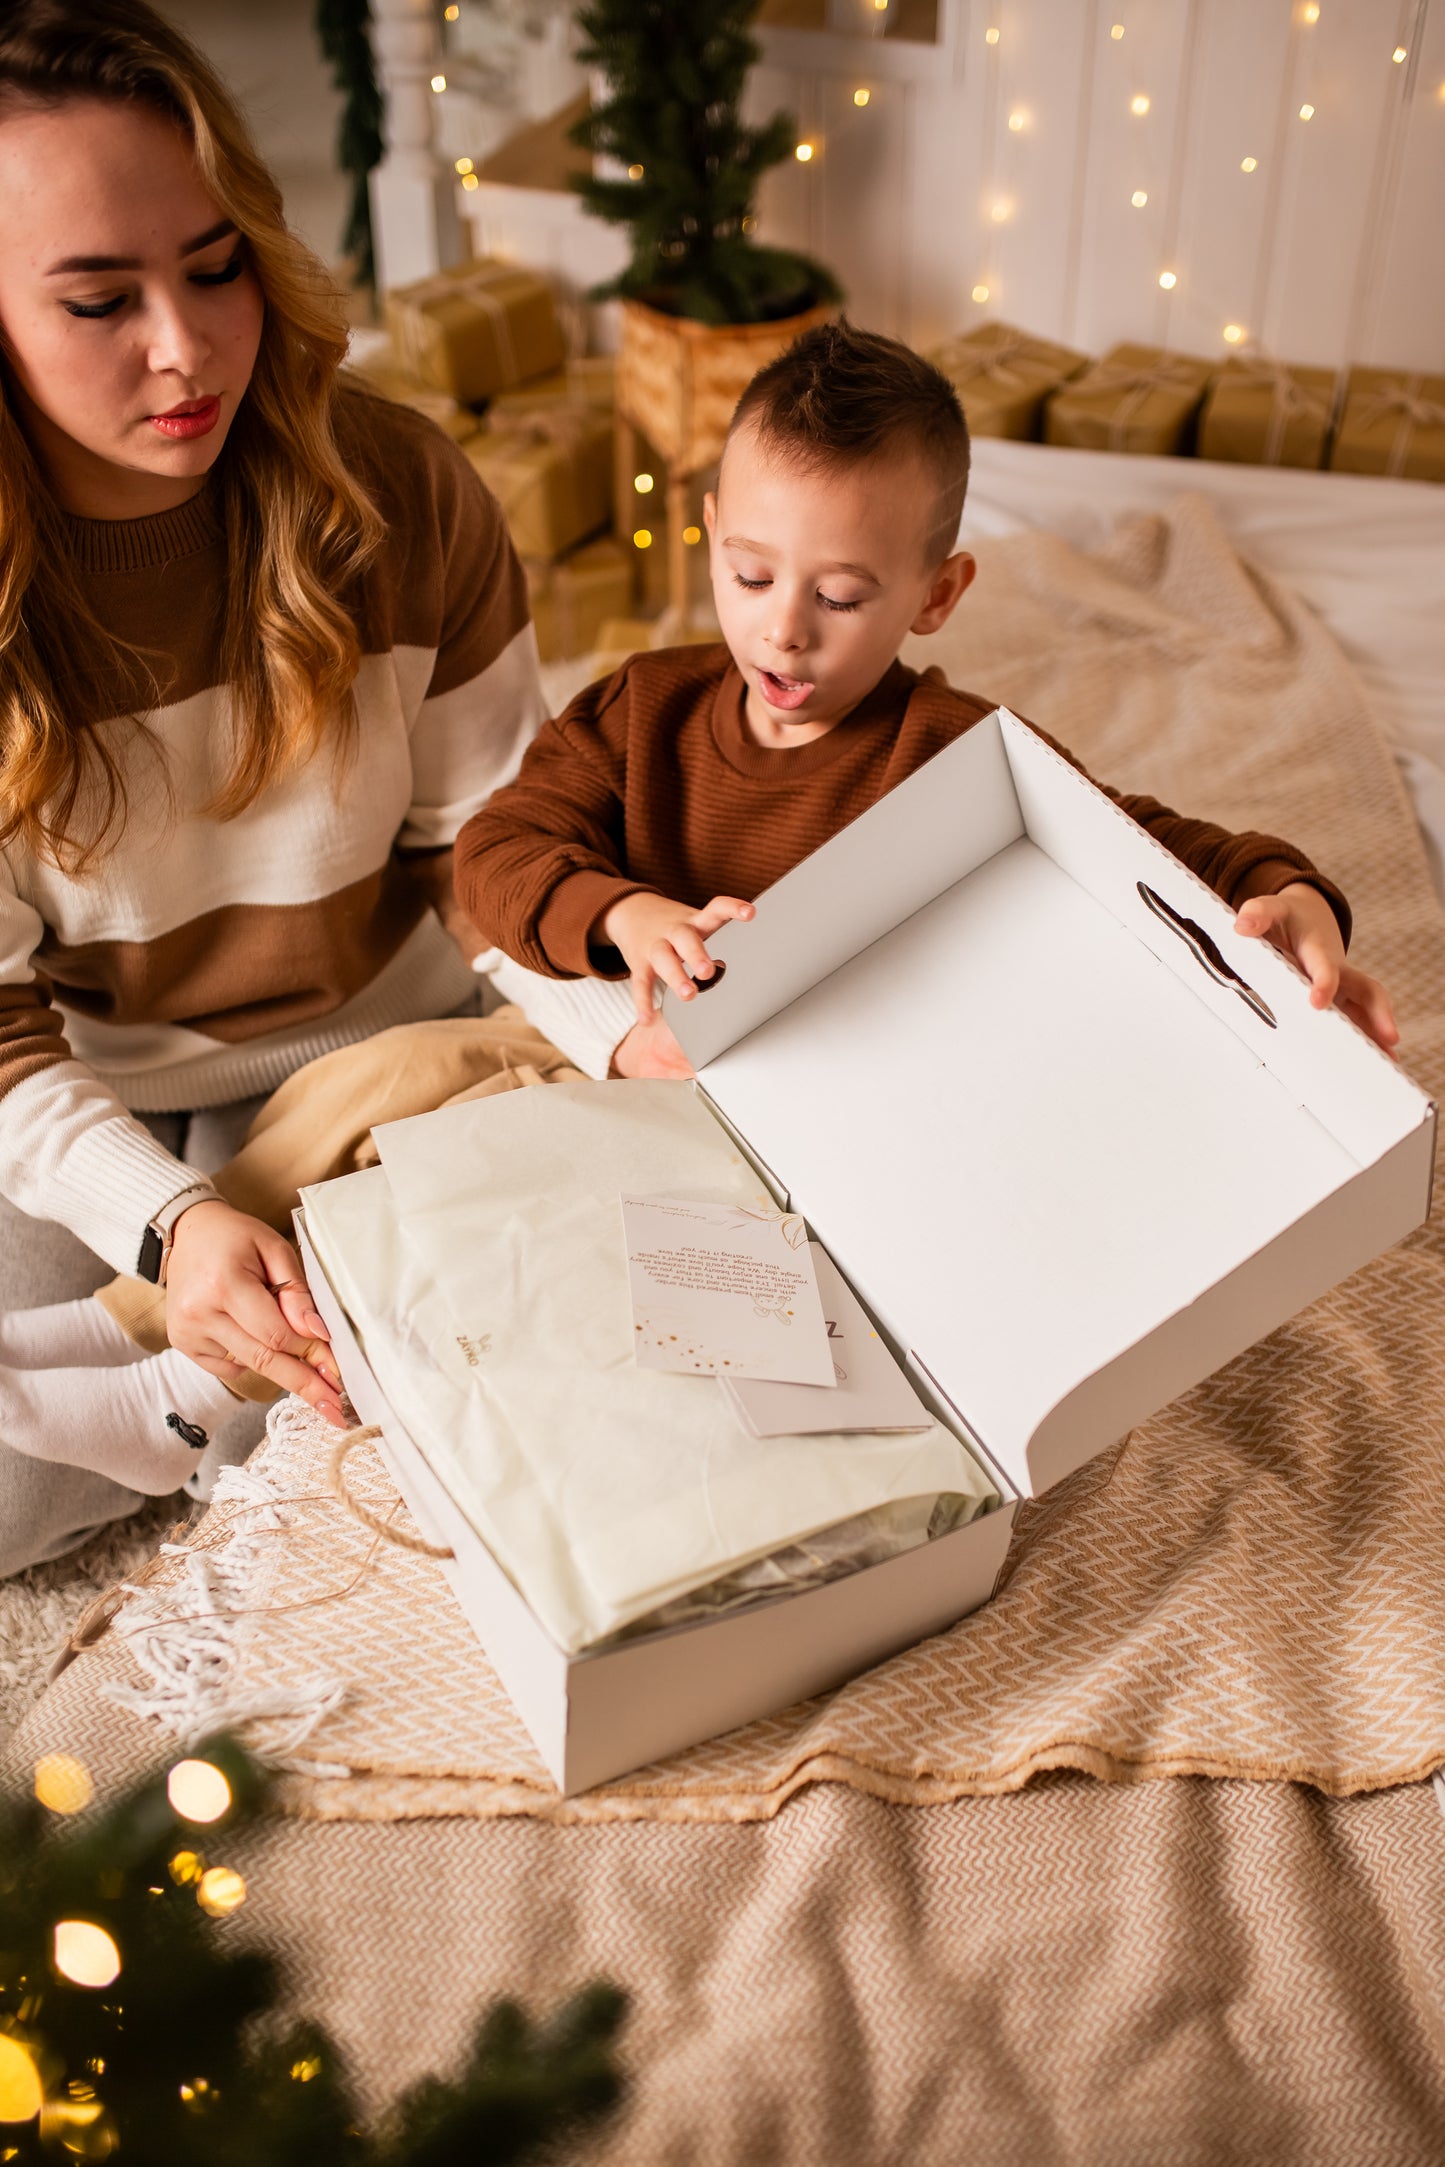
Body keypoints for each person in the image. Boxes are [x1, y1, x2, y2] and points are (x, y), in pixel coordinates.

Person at [0, 0, 607, 1576]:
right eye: (96, 299)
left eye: (216, 268)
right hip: (82, 1105)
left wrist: (594, 1019)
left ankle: (217, 1383)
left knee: (547, 1355)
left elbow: (499, 850)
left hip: (384, 1050)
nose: (186, 348)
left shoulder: (398, 489)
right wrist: (168, 1220)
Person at [454, 321, 1398, 1071]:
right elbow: (494, 853)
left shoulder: (959, 754)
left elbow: (1151, 847)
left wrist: (1286, 892)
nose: (784, 629)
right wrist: (624, 915)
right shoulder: (640, 707)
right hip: (646, 1062)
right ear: (712, 536)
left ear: (935, 596)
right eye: (749, 576)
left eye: (838, 597)